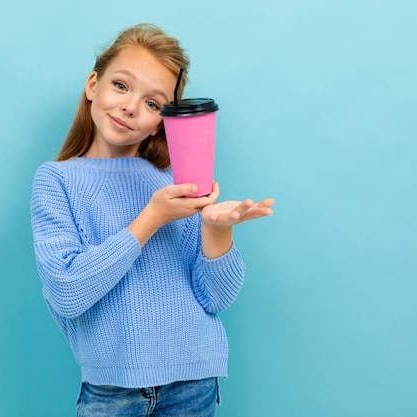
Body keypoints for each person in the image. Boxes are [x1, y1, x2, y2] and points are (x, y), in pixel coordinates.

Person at [30, 23, 275, 417]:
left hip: (195, 382)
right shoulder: (57, 180)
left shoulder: (176, 183)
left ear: (164, 119)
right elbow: (67, 292)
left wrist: (216, 230)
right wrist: (151, 218)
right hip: (112, 391)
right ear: (94, 84)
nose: (130, 107)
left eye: (153, 103)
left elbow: (216, 297)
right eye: (122, 86)